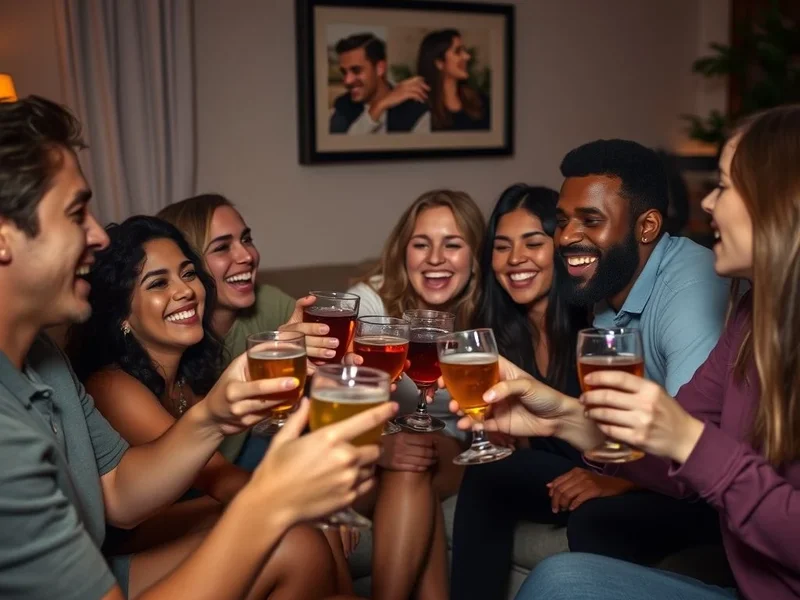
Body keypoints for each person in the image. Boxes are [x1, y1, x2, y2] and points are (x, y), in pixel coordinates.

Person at [0, 95, 395, 599]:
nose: (97, 235)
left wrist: (214, 414)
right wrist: (269, 498)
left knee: (299, 542)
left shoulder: (46, 360)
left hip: (105, 565)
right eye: (77, 212)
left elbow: (118, 490)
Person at [468, 104, 800, 600]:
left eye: (725, 187)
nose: (707, 204)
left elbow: (691, 447)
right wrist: (560, 415)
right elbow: (671, 444)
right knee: (558, 579)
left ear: (778, 203)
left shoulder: (693, 283)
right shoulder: (754, 315)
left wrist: (688, 440)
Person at [449, 184, 589, 599]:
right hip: (547, 482)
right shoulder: (495, 331)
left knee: (490, 475)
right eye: (502, 246)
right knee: (489, 473)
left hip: (607, 479)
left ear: (561, 247)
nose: (515, 260)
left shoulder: (595, 322)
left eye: (533, 243)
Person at [346, 188, 484, 599]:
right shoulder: (369, 305)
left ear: (476, 257)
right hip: (372, 455)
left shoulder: (489, 314)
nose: (435, 258)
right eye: (421, 244)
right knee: (410, 468)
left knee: (417, 453)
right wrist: (383, 446)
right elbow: (338, 401)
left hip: (453, 451)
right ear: (403, 253)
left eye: (453, 245)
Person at [157, 194, 337, 467]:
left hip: (246, 456)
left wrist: (333, 364)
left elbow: (330, 364)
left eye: (246, 240)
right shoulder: (167, 338)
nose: (246, 256)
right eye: (221, 248)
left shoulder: (268, 302)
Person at [330, 33, 430, 134]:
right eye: (344, 72)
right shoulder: (342, 106)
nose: (347, 80)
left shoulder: (415, 110)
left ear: (380, 68)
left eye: (356, 70)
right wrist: (378, 107)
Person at [416, 29, 489, 131]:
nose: (467, 57)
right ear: (439, 63)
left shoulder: (482, 102)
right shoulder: (421, 110)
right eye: (458, 51)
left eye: (465, 51)